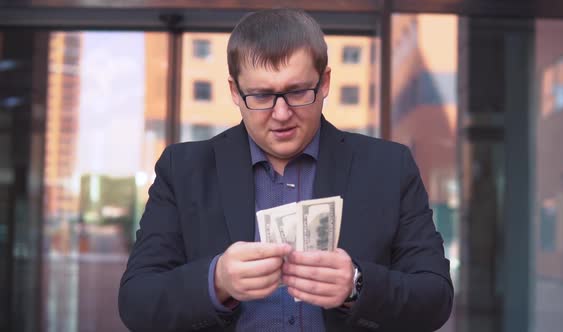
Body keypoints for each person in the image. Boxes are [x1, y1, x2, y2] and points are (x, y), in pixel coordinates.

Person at [119, 8, 453, 332]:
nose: (281, 114)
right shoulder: (183, 170)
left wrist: (357, 285)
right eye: (261, 95)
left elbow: (435, 299)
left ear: (324, 83)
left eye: (297, 92)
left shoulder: (389, 168)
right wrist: (217, 280)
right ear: (235, 91)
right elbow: (137, 303)